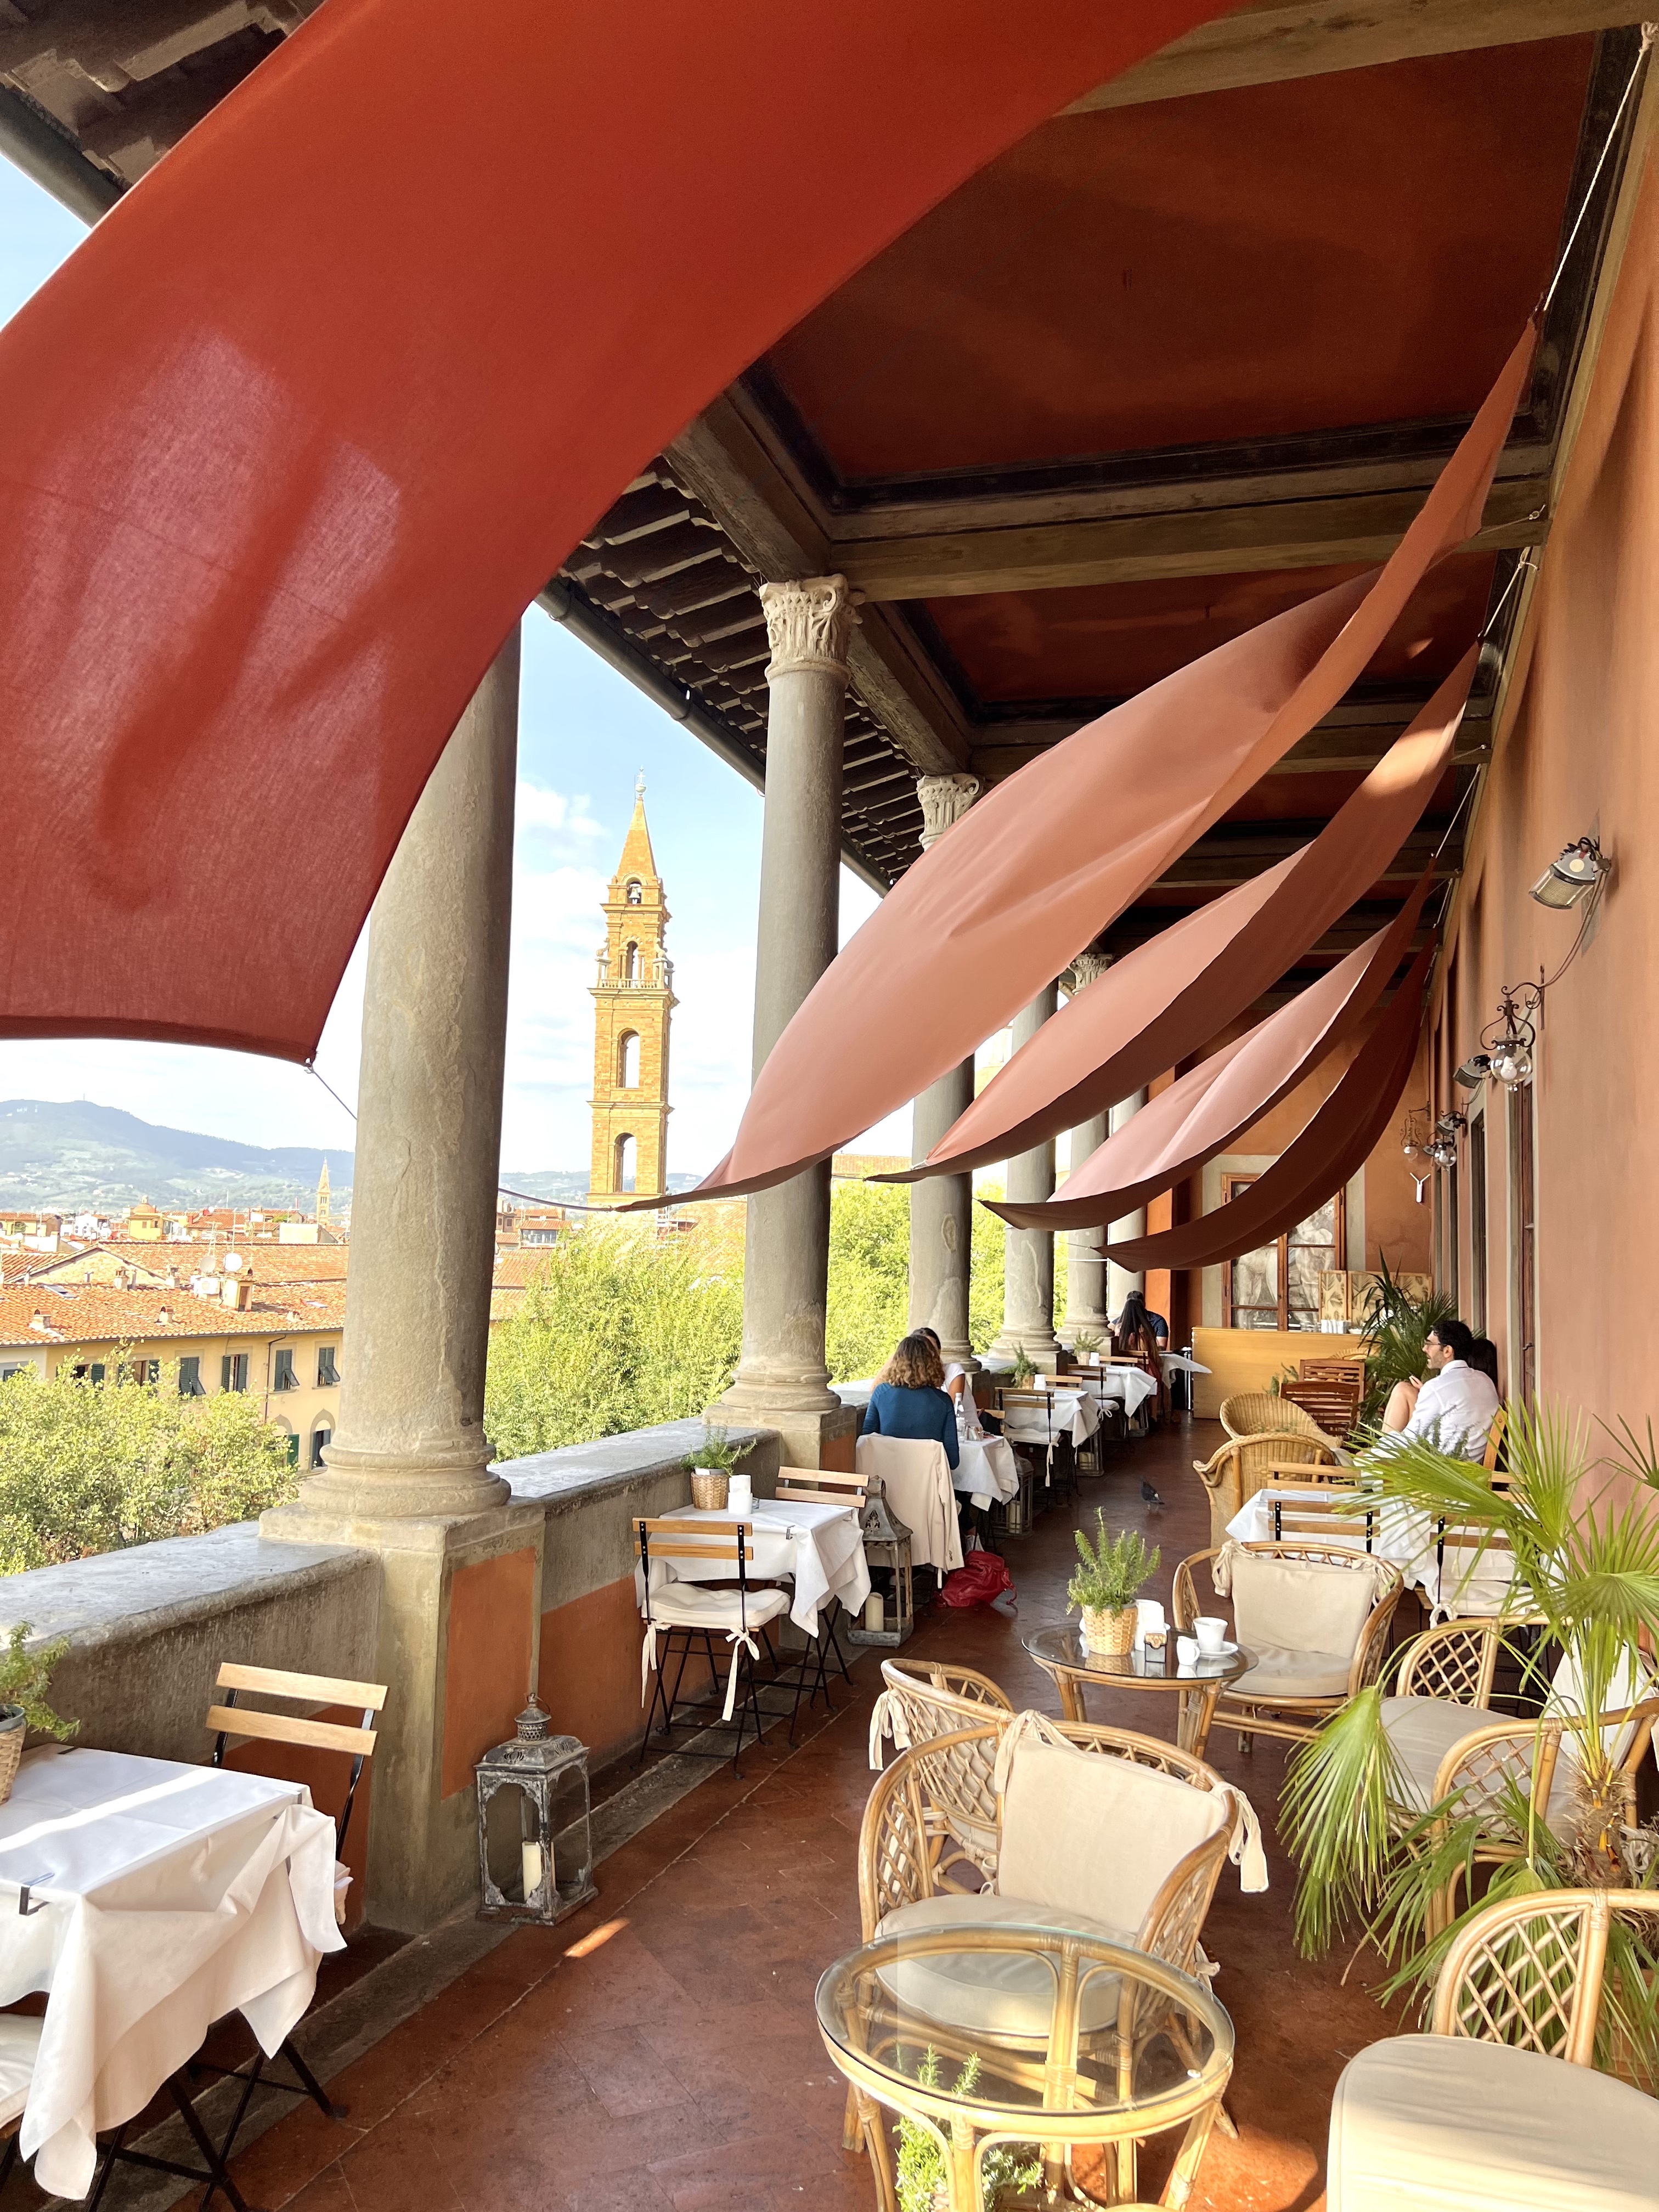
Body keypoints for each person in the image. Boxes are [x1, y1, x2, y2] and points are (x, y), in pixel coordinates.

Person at [1379, 1318, 1500, 1460]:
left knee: (1365, 1461)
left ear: (1448, 1351)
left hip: (1440, 1474)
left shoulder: (1438, 1387)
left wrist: (1370, 1454)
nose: (1425, 1349)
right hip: (1468, 1469)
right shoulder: (1485, 1380)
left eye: (1430, 1344)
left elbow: (1409, 1440)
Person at [861, 1332, 960, 1470]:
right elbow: (953, 1460)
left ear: (897, 1361)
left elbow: (867, 1441)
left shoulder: (881, 1394)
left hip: (887, 1484)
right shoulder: (943, 1402)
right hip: (926, 1488)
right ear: (932, 1363)